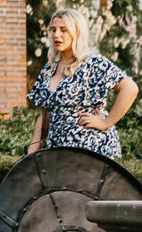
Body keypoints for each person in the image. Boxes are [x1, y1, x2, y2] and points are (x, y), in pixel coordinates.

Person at [26, 9, 137, 160]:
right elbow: (45, 114)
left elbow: (130, 88)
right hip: (58, 151)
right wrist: (32, 152)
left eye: (63, 30)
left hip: (91, 149)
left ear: (77, 32)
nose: (56, 35)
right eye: (53, 29)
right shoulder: (49, 68)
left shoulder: (93, 63)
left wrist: (106, 122)